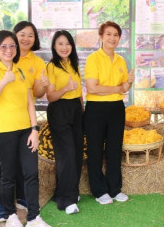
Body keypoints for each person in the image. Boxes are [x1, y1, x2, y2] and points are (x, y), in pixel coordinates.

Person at [0, 30, 51, 227]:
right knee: (8, 176)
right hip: (3, 131)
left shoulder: (19, 70)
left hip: (26, 131)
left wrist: (34, 129)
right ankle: (10, 215)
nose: (9, 50)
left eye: (12, 46)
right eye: (3, 46)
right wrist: (4, 81)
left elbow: (29, 101)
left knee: (31, 173)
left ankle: (34, 217)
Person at [84, 21, 135, 204]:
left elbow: (124, 88)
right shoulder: (93, 59)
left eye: (116, 35)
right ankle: (99, 191)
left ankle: (115, 189)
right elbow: (92, 87)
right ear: (101, 36)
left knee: (114, 150)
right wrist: (118, 87)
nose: (112, 38)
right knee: (95, 150)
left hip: (116, 109)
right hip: (96, 109)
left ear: (119, 38)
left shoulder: (121, 60)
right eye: (108, 34)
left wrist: (129, 82)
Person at [46, 30, 84, 214]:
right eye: (60, 43)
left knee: (76, 154)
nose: (64, 47)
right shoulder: (52, 66)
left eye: (67, 43)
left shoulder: (74, 64)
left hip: (76, 110)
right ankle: (66, 201)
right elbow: (50, 96)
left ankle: (67, 191)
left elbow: (80, 93)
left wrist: (82, 111)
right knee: (66, 155)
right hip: (59, 110)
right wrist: (65, 88)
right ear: (54, 46)